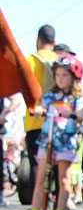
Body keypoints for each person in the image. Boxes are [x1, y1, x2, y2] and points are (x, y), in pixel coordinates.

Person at [25, 55, 83, 210]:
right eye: (58, 74)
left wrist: (73, 114)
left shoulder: (77, 98)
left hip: (66, 141)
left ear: (74, 77)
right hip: (48, 140)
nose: (60, 78)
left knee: (64, 179)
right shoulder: (50, 96)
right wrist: (38, 110)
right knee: (41, 177)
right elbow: (41, 108)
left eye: (64, 75)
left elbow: (82, 116)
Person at [24, 25, 58, 188]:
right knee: (55, 164)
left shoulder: (30, 60)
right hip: (57, 120)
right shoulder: (59, 60)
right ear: (54, 42)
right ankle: (54, 201)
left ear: (38, 40)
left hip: (35, 119)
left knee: (37, 164)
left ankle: (36, 205)